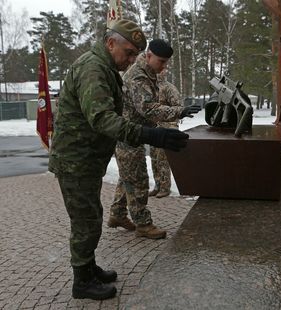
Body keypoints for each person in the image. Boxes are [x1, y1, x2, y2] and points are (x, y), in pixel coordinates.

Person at [48, 20, 189, 301]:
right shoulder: (93, 69)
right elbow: (102, 119)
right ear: (110, 43)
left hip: (85, 158)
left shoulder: (106, 68)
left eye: (136, 53)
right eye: (128, 52)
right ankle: (82, 281)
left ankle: (88, 267)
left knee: (93, 217)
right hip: (76, 159)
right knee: (86, 221)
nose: (131, 59)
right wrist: (151, 135)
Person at [107, 39, 200, 239]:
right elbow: (149, 108)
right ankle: (143, 225)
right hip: (129, 133)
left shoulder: (149, 72)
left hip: (135, 132)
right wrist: (180, 111)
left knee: (127, 176)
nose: (164, 66)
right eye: (161, 61)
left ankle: (117, 214)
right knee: (138, 178)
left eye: (166, 62)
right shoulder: (138, 76)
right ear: (149, 56)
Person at [149, 75, 184, 198]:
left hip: (166, 128)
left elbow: (178, 108)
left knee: (163, 159)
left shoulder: (169, 88)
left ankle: (165, 187)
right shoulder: (150, 87)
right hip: (153, 130)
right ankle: (157, 186)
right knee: (154, 159)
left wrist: (171, 124)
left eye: (163, 69)